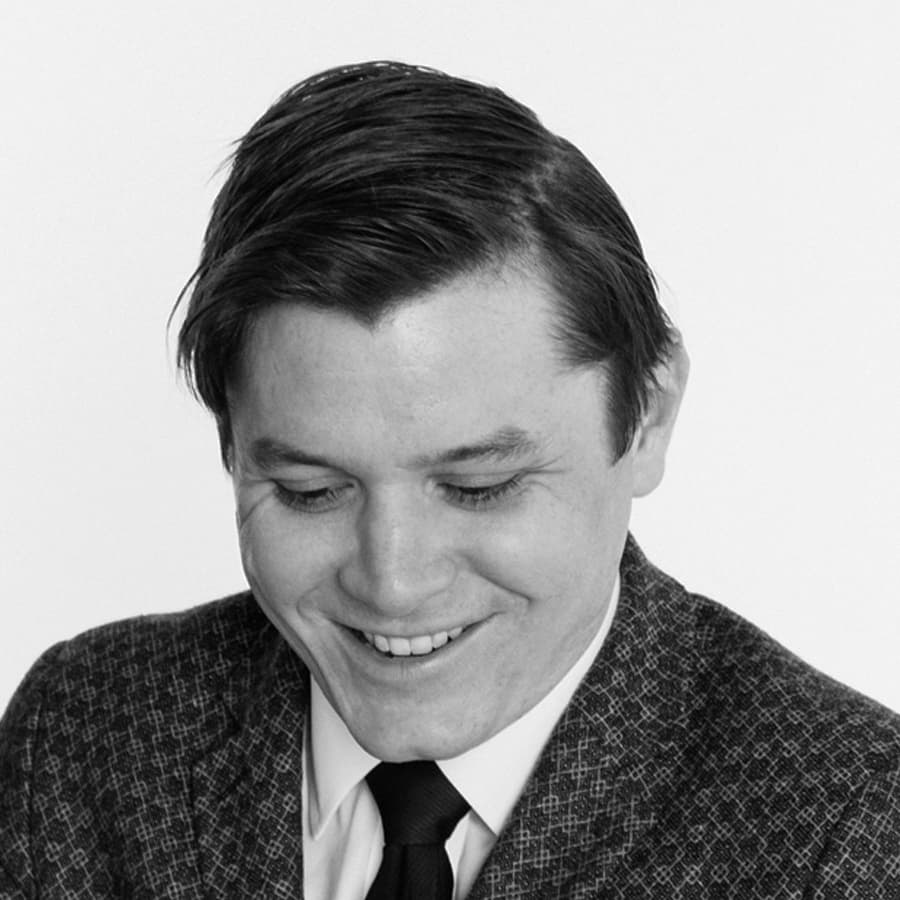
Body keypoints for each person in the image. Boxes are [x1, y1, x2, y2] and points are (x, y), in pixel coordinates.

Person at [1, 60, 898, 899]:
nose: (393, 582)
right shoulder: (84, 737)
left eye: (481, 487)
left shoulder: (853, 828)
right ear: (232, 446)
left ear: (650, 414)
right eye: (312, 491)